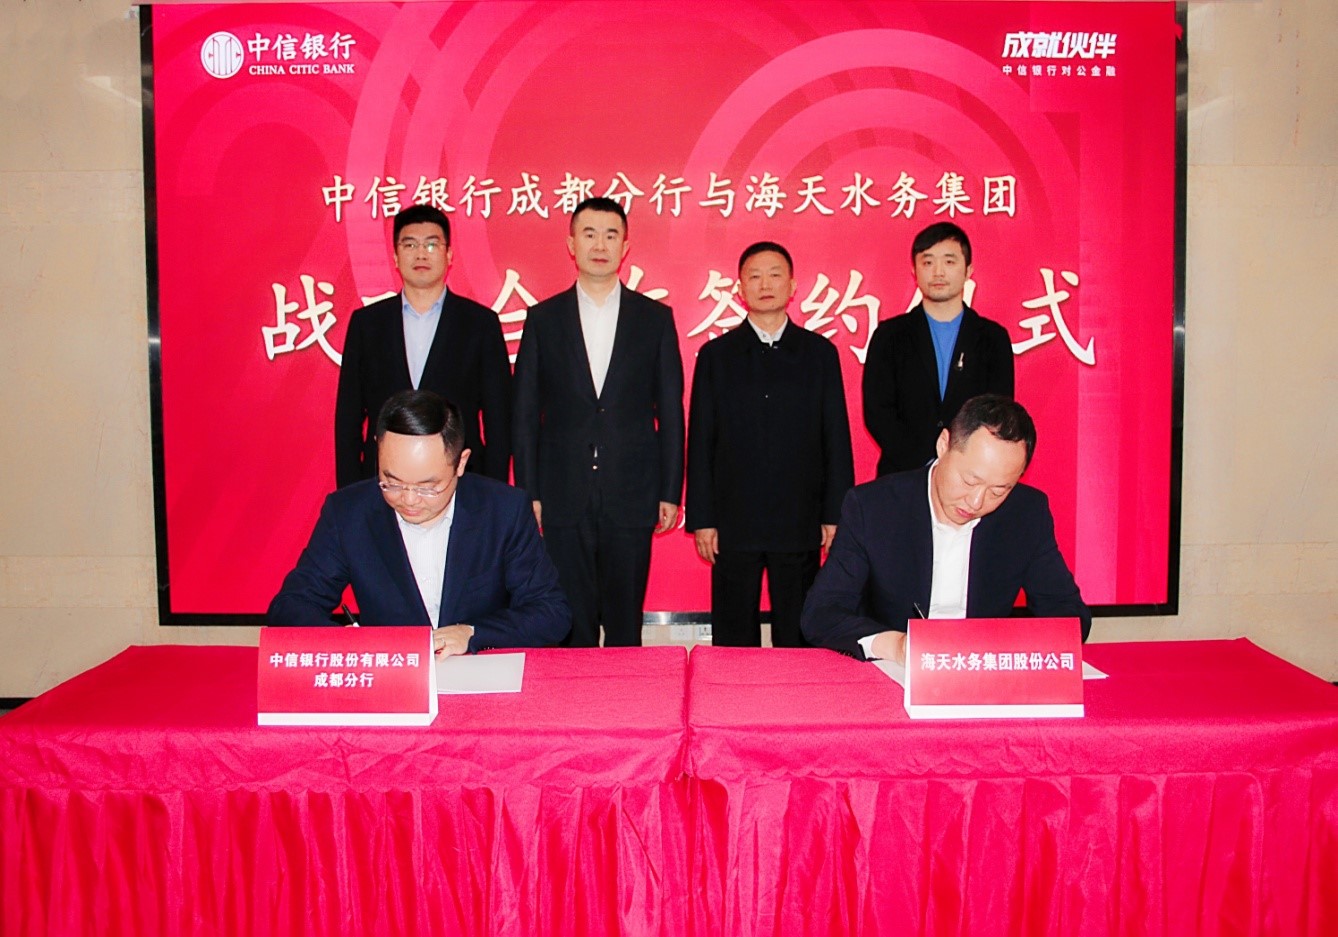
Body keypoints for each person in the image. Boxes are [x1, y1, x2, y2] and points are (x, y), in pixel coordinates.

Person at [270, 390, 570, 656]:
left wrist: (472, 633)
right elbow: (291, 606)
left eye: (427, 487)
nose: (409, 500)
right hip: (391, 681)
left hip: (480, 677)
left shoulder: (503, 510)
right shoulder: (349, 513)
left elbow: (551, 613)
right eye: (392, 482)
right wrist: (348, 644)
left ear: (461, 463)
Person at [512, 197, 685, 647]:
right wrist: (529, 491)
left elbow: (670, 411)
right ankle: (577, 693)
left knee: (626, 620)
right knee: (571, 619)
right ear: (571, 244)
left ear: (625, 246)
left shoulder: (654, 319)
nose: (600, 245)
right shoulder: (544, 319)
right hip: (562, 491)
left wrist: (670, 490)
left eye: (611, 235)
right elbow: (525, 414)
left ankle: (626, 691)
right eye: (589, 234)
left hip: (632, 489)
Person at [801, 394, 1089, 662]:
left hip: (981, 672)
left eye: (999, 490)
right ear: (943, 445)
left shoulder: (1026, 513)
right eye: (969, 481)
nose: (976, 502)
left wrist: (1006, 650)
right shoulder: (873, 507)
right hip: (891, 671)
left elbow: (1070, 616)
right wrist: (896, 646)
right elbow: (821, 614)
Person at [685, 241, 854, 647]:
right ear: (740, 287)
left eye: (775, 275)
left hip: (799, 516)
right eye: (755, 276)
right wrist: (703, 518)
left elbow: (836, 437)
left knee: (798, 633)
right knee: (733, 637)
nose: (765, 284)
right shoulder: (716, 356)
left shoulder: (819, 354)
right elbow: (701, 441)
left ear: (792, 285)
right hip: (733, 519)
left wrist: (835, 514)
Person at [334, 204, 512, 487]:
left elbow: (498, 420)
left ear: (448, 254)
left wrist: (492, 493)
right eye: (410, 244)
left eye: (431, 244)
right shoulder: (367, 324)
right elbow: (348, 417)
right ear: (395, 256)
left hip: (460, 481)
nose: (420, 254)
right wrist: (349, 493)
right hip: (383, 482)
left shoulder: (480, 323)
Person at [862, 222, 1014, 476]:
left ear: (968, 270)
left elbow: (998, 412)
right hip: (902, 475)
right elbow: (878, 412)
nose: (938, 272)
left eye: (949, 262)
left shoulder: (992, 338)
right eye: (928, 262)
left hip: (971, 477)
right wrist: (924, 464)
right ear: (914, 270)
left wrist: (958, 464)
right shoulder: (889, 335)